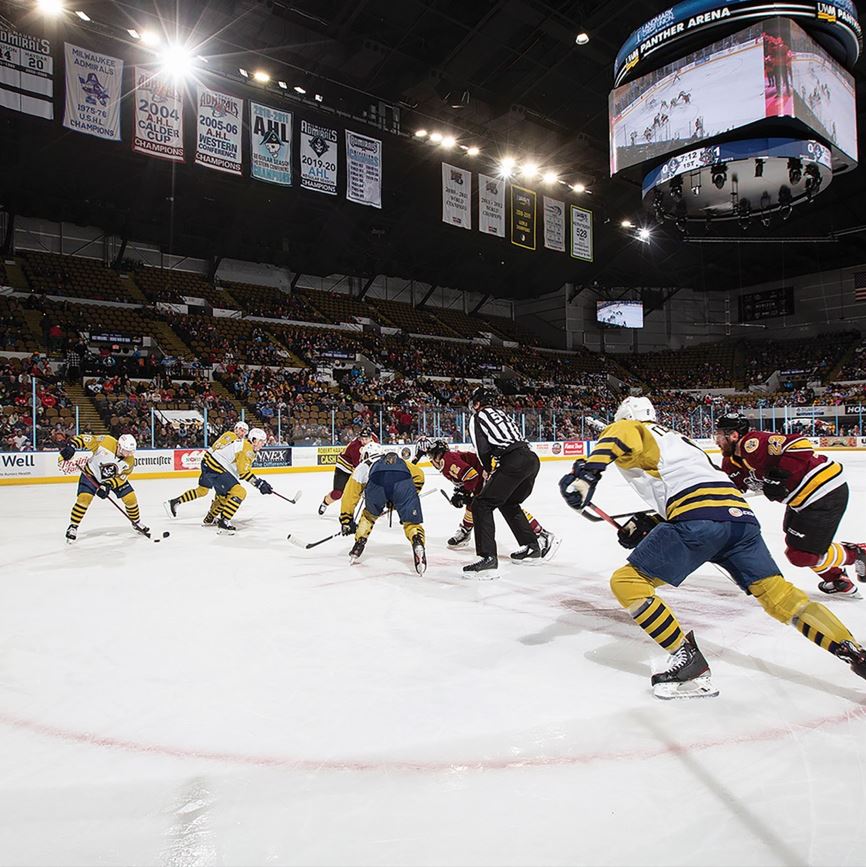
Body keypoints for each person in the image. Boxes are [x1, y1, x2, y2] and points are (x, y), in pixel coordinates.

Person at [558, 396, 866, 698]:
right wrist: (650, 523)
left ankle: (687, 658)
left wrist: (586, 474)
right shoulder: (681, 442)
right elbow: (693, 485)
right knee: (779, 595)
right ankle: (851, 650)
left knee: (627, 582)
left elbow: (621, 434)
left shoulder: (634, 429)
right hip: (740, 520)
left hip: (699, 518)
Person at [715, 413, 865, 597]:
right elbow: (730, 490)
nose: (717, 441)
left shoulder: (753, 443)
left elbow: (800, 445)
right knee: (795, 543)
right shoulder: (730, 463)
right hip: (801, 500)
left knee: (800, 555)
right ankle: (837, 580)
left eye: (720, 435)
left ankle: (858, 553)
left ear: (734, 435)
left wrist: (780, 474)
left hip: (823, 489)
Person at [418, 437, 559, 560]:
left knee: (500, 505)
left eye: (432, 455)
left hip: (488, 475)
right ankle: (466, 531)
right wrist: (463, 491)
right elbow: (467, 477)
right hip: (487, 475)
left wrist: (464, 493)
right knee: (484, 504)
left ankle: (541, 534)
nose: (431, 460)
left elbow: (471, 475)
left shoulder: (447, 460)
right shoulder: (446, 460)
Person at [465, 386, 540, 579]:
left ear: (477, 403)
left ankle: (488, 558)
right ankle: (532, 547)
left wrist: (488, 471)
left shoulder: (477, 417)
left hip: (513, 461)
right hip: (531, 459)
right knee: (509, 502)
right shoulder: (501, 413)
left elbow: (482, 449)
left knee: (481, 504)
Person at [339, 442, 427, 575]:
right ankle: (417, 541)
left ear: (366, 454)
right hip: (403, 483)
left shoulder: (363, 466)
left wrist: (346, 519)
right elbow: (419, 475)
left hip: (377, 484)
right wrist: (408, 495)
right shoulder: (399, 460)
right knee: (411, 523)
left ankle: (359, 543)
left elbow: (349, 496)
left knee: (368, 516)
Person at [168, 426, 271, 534]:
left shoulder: (245, 445)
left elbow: (240, 470)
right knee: (239, 492)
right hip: (216, 467)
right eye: (261, 441)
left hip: (214, 466)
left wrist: (259, 482)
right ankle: (224, 523)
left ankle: (210, 518)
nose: (263, 443)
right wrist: (259, 484)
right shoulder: (247, 448)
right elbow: (243, 472)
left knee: (223, 496)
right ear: (254, 440)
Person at [59, 433, 148, 542]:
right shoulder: (106, 441)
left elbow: (121, 478)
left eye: (131, 451)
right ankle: (73, 526)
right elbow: (85, 439)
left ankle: (136, 522)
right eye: (127, 451)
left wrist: (108, 485)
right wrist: (72, 446)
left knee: (131, 498)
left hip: (112, 479)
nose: (129, 454)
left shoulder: (130, 461)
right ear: (119, 446)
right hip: (91, 474)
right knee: (84, 499)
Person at [164, 421, 253, 523]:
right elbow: (217, 449)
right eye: (241, 430)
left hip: (210, 464)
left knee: (202, 491)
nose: (242, 433)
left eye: (245, 432)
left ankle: (176, 501)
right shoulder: (232, 436)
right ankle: (213, 516)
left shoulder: (233, 438)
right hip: (213, 466)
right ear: (236, 429)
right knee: (222, 492)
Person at [318, 425, 378, 515]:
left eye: (366, 439)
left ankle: (375, 508)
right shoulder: (355, 448)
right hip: (344, 467)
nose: (364, 441)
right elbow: (358, 469)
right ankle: (325, 503)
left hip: (358, 467)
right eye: (362, 439)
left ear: (371, 438)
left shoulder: (375, 440)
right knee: (337, 493)